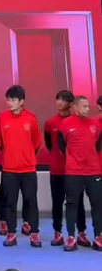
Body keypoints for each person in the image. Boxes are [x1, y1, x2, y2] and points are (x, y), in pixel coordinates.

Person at [0, 84, 41, 248]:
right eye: (8, 100)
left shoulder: (31, 118)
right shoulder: (2, 118)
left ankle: (34, 233)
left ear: (21, 101)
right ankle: (11, 234)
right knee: (10, 203)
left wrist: (26, 156)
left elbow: (36, 142)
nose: (9, 103)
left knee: (31, 201)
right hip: (9, 169)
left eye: (13, 100)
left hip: (28, 169)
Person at [57, 95, 102, 251]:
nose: (87, 109)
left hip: (93, 171)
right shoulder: (65, 124)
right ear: (75, 107)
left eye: (88, 106)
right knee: (72, 204)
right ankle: (71, 237)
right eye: (84, 106)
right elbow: (61, 145)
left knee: (98, 203)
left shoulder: (95, 124)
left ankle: (98, 236)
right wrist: (73, 158)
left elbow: (98, 145)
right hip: (73, 172)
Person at [45, 91, 89, 248]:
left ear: (71, 104)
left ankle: (81, 233)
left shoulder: (78, 122)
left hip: (75, 171)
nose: (59, 103)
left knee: (78, 203)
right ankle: (57, 233)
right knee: (57, 202)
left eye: (63, 100)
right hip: (57, 170)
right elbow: (49, 144)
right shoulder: (50, 123)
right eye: (57, 99)